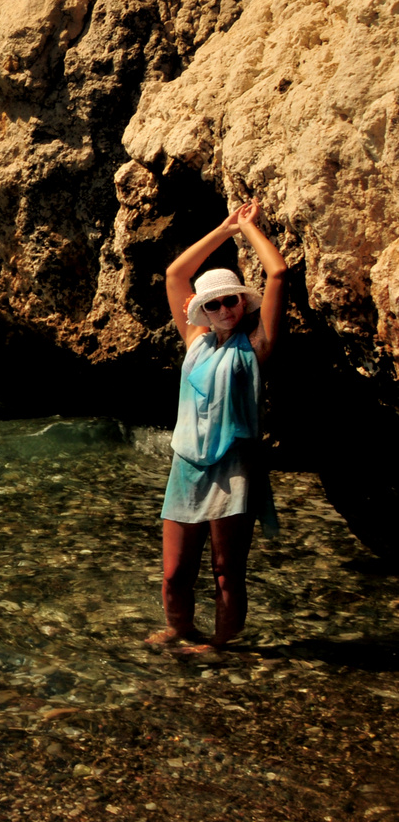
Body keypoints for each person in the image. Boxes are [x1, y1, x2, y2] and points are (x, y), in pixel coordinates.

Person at [147, 201, 287, 651]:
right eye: (215, 303)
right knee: (174, 573)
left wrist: (249, 230)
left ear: (242, 304)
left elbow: (279, 275)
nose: (226, 309)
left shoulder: (256, 346)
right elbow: (174, 275)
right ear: (203, 310)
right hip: (186, 466)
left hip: (235, 467)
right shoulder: (195, 341)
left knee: (227, 571)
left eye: (232, 300)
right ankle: (178, 630)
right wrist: (225, 230)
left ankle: (222, 646)